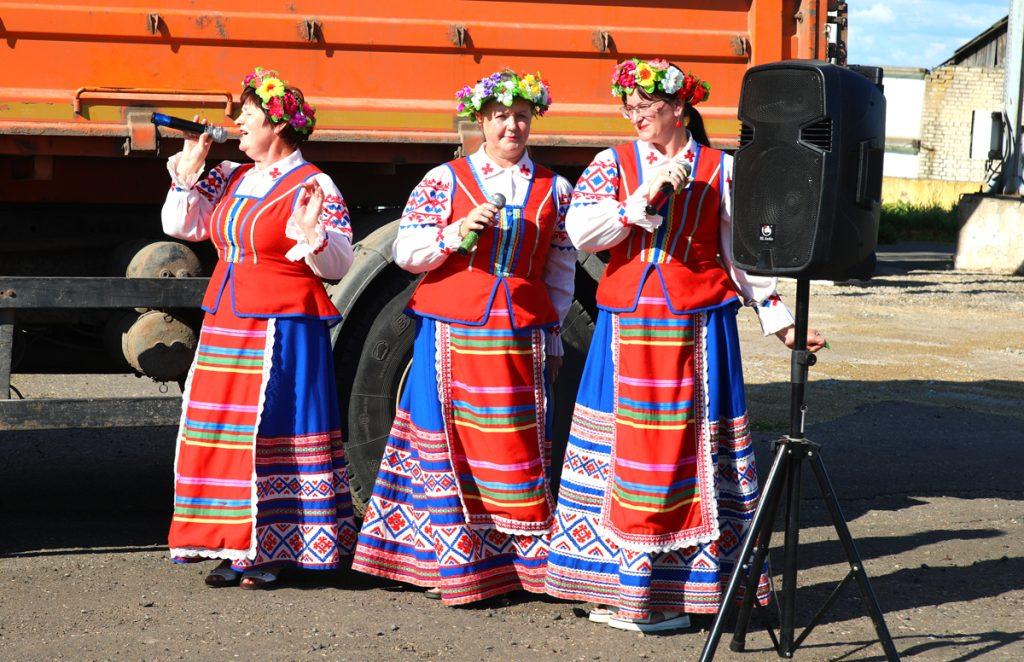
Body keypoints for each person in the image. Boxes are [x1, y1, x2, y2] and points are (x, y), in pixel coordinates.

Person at [543, 59, 827, 632]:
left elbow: (741, 254)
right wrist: (638, 201)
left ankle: (680, 596)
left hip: (697, 327)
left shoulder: (720, 169)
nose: (635, 114)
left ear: (679, 108)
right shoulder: (611, 164)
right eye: (629, 106)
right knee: (624, 456)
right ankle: (623, 588)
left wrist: (781, 323)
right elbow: (580, 234)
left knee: (690, 457)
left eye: (645, 104)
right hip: (627, 328)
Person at [351, 70, 577, 606]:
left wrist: (557, 335)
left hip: (519, 334)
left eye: (521, 116)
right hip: (451, 331)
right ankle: (445, 562)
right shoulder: (444, 180)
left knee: (514, 444)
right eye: (501, 117)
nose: (512, 126)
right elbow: (408, 253)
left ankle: (517, 567)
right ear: (482, 121)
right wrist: (457, 232)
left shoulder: (554, 189)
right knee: (446, 443)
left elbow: (560, 269)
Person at [162, 67, 357, 589]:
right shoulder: (232, 176)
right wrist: (190, 170)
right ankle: (231, 543)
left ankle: (277, 548)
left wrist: (315, 235)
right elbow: (183, 227)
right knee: (223, 432)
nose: (238, 124)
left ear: (278, 125)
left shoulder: (312, 183)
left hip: (283, 326)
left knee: (272, 432)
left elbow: (339, 264)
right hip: (228, 319)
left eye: (247, 116)